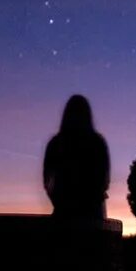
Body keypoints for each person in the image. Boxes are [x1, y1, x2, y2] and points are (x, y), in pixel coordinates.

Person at [43, 95, 110, 223]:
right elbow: (104, 182)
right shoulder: (98, 143)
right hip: (93, 216)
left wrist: (59, 201)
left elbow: (47, 181)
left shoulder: (56, 144)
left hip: (63, 214)